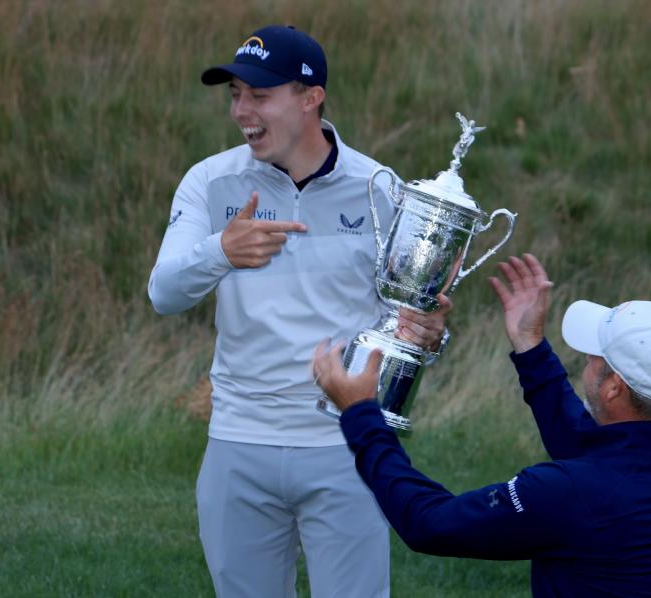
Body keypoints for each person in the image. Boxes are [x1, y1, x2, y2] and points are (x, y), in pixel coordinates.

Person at [148, 25, 449, 598]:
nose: (241, 111)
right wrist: (221, 251)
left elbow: (409, 321)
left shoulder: (380, 189)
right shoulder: (209, 181)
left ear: (311, 98)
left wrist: (427, 330)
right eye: (235, 94)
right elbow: (163, 293)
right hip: (238, 442)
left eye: (259, 96)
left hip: (346, 445)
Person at [313, 253, 651, 597]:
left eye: (592, 360)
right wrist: (530, 345)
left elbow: (430, 525)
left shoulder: (568, 493)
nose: (583, 364)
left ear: (614, 389)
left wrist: (362, 415)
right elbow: (591, 451)